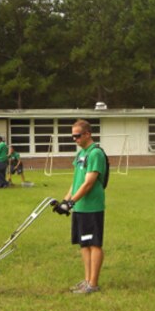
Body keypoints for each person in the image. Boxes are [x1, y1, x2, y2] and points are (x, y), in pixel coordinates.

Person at [62, 119, 107, 294]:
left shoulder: (95, 153)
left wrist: (72, 202)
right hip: (80, 206)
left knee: (94, 244)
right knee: (84, 244)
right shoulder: (80, 154)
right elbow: (76, 182)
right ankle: (87, 280)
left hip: (92, 206)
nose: (75, 139)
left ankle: (93, 284)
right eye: (73, 136)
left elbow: (88, 183)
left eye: (77, 136)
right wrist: (65, 201)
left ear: (88, 134)